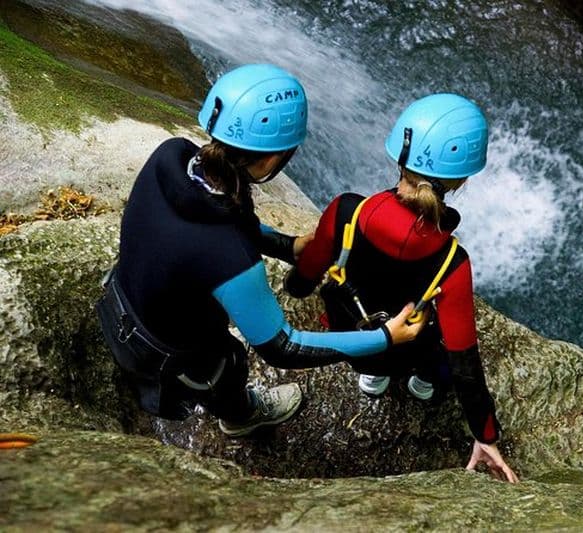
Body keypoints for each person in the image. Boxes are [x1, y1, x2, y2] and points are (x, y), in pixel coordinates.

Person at [95, 64, 424, 438]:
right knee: (228, 364)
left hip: (123, 300)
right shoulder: (231, 258)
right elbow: (283, 347)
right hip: (165, 352)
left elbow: (223, 217)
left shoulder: (172, 156)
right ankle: (241, 416)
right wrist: (384, 338)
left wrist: (287, 246)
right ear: (270, 160)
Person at [283, 93, 519, 482]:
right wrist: (485, 434)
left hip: (354, 338)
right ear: (460, 180)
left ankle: (371, 377)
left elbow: (307, 272)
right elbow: (465, 364)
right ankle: (422, 386)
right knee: (439, 361)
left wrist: (294, 285)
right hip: (409, 352)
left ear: (399, 156)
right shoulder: (453, 263)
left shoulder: (347, 211)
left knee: (370, 349)